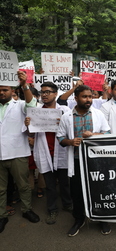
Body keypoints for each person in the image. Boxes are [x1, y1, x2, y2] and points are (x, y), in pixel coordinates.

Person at [57, 85, 111, 236]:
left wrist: (93, 135)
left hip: (95, 162)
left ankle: (102, 219)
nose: (88, 100)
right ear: (76, 98)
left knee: (99, 190)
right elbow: (60, 137)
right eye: (84, 97)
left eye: (90, 96)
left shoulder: (98, 114)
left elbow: (107, 134)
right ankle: (78, 219)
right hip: (76, 161)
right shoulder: (66, 117)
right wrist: (70, 142)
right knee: (77, 192)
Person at [26, 82, 72, 225]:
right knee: (50, 185)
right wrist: (28, 125)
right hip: (45, 152)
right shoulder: (37, 111)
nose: (44, 95)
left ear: (55, 94)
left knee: (65, 183)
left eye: (48, 92)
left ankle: (67, 203)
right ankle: (52, 209)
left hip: (62, 151)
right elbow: (31, 133)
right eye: (42, 92)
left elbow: (72, 129)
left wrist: (63, 123)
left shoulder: (65, 110)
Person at [0, 71, 40, 233]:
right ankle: (2, 215)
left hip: (17, 153)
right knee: (0, 188)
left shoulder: (20, 105)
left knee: (23, 185)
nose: (2, 92)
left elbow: (32, 105)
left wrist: (25, 85)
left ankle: (27, 210)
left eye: (5, 90)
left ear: (12, 91)